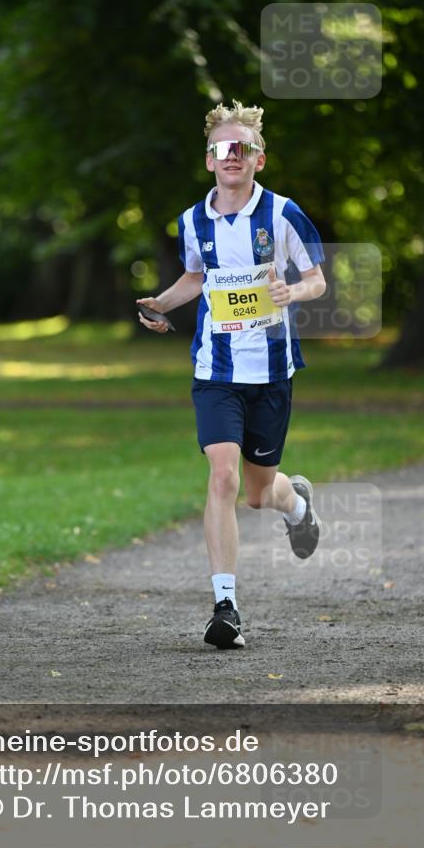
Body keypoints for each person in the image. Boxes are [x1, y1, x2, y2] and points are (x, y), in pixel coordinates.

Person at [137, 100, 327, 650]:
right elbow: (197, 276)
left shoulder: (283, 214)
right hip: (215, 369)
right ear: (209, 160)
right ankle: (226, 609)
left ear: (258, 160)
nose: (232, 157)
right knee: (223, 477)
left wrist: (295, 290)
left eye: (242, 149)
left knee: (258, 493)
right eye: (223, 149)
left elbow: (316, 279)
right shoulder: (195, 221)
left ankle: (296, 505)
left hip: (271, 370)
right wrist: (161, 303)